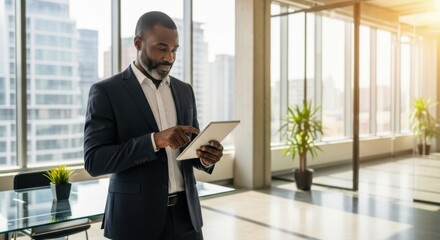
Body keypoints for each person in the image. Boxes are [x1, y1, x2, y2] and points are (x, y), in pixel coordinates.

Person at [83, 11, 224, 240]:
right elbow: (94, 161)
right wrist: (155, 140)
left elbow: (190, 149)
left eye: (174, 50)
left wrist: (206, 157)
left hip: (187, 218)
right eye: (161, 48)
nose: (169, 58)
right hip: (134, 220)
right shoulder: (106, 92)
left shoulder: (184, 90)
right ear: (138, 43)